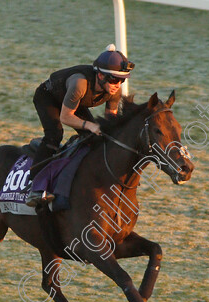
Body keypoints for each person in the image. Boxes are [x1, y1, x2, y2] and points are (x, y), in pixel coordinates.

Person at [26, 44, 135, 207]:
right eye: (113, 79)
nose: (117, 85)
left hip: (73, 101)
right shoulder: (80, 83)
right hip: (48, 97)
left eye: (121, 80)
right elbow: (65, 117)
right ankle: (35, 186)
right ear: (100, 76)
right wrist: (90, 125)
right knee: (55, 134)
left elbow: (109, 123)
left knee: (93, 137)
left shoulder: (115, 91)